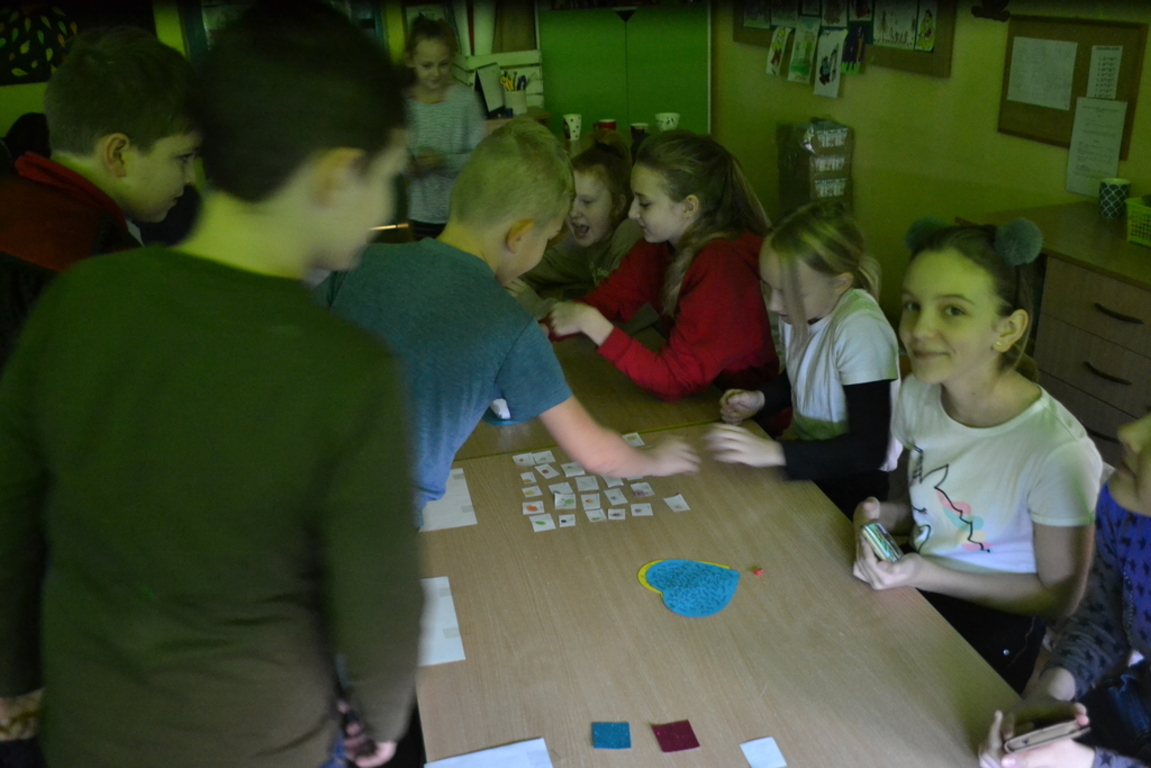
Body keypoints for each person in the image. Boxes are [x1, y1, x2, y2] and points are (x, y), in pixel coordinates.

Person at [0, 4, 423, 768]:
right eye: (387, 176)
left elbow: (12, 518)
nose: (387, 204)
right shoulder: (352, 372)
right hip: (263, 738)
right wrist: (383, 718)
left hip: (91, 731)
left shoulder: (80, 298)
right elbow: (382, 604)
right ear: (337, 175)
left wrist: (14, 675)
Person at [317, 119, 699, 514]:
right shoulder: (512, 328)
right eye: (548, 238)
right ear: (518, 236)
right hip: (377, 517)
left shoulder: (358, 262)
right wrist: (655, 460)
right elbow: (596, 452)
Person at [851, 219, 1101, 693]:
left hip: (995, 626)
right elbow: (929, 510)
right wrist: (883, 515)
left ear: (1007, 330)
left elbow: (1059, 598)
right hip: (918, 589)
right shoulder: (918, 395)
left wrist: (928, 573)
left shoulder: (1056, 451)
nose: (919, 329)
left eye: (953, 311)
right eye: (913, 305)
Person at [0, 27, 198, 371]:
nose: (191, 177)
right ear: (117, 154)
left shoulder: (13, 200)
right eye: (182, 158)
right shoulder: (103, 273)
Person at [547, 130, 778, 402]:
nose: (632, 213)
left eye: (644, 203)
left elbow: (673, 379)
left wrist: (592, 324)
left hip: (752, 416)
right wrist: (542, 330)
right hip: (708, 400)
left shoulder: (721, 268)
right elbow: (606, 300)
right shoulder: (656, 247)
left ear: (689, 207)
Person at [979, 412, 1151, 768]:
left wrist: (1084, 763)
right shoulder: (1128, 510)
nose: (1128, 433)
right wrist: (1052, 691)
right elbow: (1109, 615)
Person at [706, 201, 900, 517]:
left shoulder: (861, 330)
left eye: (788, 293)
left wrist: (773, 451)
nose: (773, 304)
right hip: (811, 466)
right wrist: (760, 399)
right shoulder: (800, 310)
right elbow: (802, 375)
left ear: (840, 283)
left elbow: (869, 449)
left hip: (854, 484)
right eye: (768, 287)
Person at [508, 129, 643, 318]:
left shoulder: (629, 234)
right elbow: (534, 270)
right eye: (570, 200)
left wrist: (536, 306)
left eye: (587, 202)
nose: (573, 212)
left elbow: (616, 315)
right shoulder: (585, 240)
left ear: (617, 205)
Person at [403, 15, 486, 241]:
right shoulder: (403, 105)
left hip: (463, 211)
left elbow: (481, 158)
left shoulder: (466, 101)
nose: (436, 73)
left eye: (444, 64)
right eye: (427, 65)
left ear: (452, 60)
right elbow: (395, 158)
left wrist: (443, 160)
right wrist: (409, 166)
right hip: (421, 215)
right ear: (410, 60)